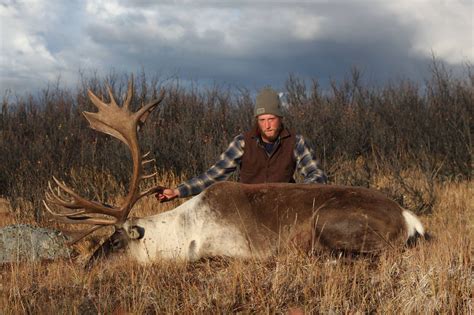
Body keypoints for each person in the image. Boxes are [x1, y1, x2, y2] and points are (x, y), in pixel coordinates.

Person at [156, 87, 327, 202]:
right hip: (248, 209)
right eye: (262, 120)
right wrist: (178, 191)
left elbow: (317, 175)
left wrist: (297, 195)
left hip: (283, 206)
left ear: (280, 118)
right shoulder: (243, 142)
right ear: (257, 120)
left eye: (272, 119)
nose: (267, 125)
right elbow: (215, 175)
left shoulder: (296, 142)